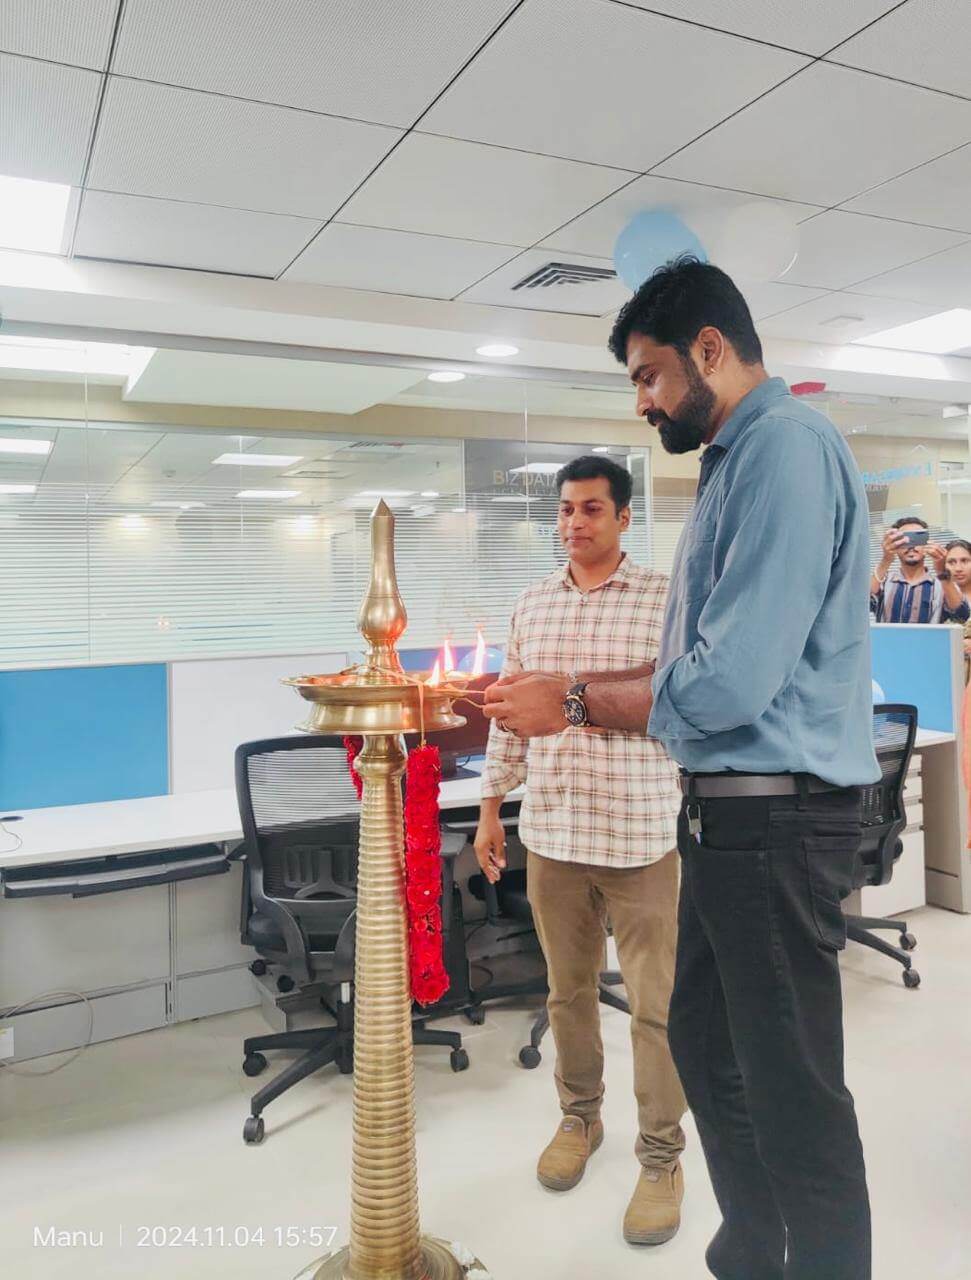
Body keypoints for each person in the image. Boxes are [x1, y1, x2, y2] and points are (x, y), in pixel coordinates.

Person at [482, 256, 880, 1280]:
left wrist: (568, 701)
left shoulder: (784, 449)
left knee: (793, 1084)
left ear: (709, 348)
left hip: (774, 820)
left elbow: (729, 684)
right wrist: (556, 684)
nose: (643, 397)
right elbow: (683, 667)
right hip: (717, 819)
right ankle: (752, 1240)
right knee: (703, 1036)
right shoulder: (730, 460)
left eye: (649, 374)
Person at [474, 454, 687, 1247]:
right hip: (554, 833)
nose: (574, 523)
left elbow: (676, 704)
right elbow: (507, 713)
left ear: (623, 518)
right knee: (566, 997)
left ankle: (662, 1156)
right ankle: (579, 1119)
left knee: (655, 1009)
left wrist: (582, 707)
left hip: (639, 835)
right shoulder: (532, 604)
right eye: (565, 510)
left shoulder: (664, 599)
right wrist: (492, 805)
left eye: (591, 509)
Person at [870, 518, 970, 624]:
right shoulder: (884, 583)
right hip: (886, 640)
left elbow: (962, 614)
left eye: (918, 539)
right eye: (904, 540)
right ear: (896, 545)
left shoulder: (942, 585)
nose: (912, 546)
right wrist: (886, 560)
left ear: (926, 544)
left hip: (929, 640)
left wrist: (941, 571)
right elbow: (863, 603)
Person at [943, 539, 971, 681]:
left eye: (965, 561)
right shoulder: (937, 599)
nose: (958, 568)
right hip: (948, 674)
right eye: (951, 562)